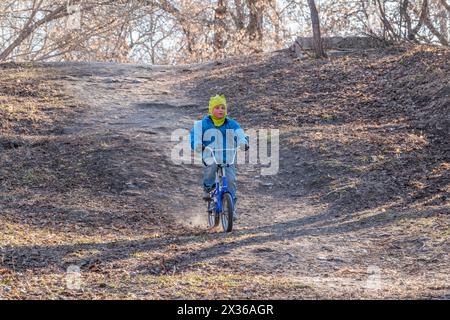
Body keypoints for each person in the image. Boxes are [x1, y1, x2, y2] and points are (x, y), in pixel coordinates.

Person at [190, 94, 248, 220]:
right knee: (211, 168)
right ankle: (208, 188)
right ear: (211, 110)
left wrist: (243, 142)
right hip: (210, 155)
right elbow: (196, 135)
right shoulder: (203, 124)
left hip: (227, 157)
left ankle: (231, 207)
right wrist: (198, 144)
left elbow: (240, 134)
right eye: (217, 107)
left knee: (231, 180)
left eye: (223, 107)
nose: (220, 110)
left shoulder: (231, 124)